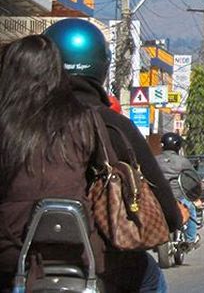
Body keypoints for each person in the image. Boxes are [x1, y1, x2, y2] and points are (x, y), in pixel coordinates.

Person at [44, 18, 181, 293]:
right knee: (152, 278)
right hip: (106, 265)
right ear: (101, 66)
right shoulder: (114, 126)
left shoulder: (16, 122)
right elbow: (168, 214)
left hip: (20, 262)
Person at [0, 35, 102, 290]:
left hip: (8, 253)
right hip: (77, 251)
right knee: (150, 278)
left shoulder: (5, 122)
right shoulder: (85, 120)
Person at [155, 133, 200, 245]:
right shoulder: (183, 161)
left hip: (157, 198)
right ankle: (190, 239)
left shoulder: (155, 160)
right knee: (191, 210)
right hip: (178, 197)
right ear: (178, 146)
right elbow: (193, 180)